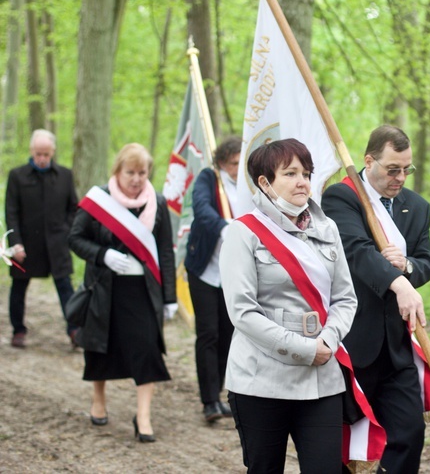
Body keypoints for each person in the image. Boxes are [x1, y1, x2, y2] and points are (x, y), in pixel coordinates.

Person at [220, 138, 357, 472]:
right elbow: (243, 312)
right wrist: (303, 349)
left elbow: (345, 298)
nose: (303, 182)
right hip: (261, 379)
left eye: (307, 173)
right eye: (291, 173)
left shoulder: (328, 228)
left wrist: (327, 340)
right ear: (265, 183)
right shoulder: (243, 233)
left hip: (321, 376)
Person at [321, 125, 430, 473]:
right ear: (369, 161)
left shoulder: (417, 207)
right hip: (352, 340)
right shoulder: (341, 197)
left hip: (396, 344)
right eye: (392, 169)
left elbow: (426, 260)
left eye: (407, 169)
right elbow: (357, 251)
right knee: (339, 443)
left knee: (409, 432)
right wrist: (399, 284)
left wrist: (409, 268)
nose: (401, 177)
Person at [68, 143, 176, 441]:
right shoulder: (98, 200)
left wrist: (169, 297)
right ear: (118, 170)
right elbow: (75, 239)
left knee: (147, 350)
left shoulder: (157, 203)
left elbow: (165, 251)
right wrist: (102, 255)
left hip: (143, 291)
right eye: (130, 172)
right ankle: (98, 400)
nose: (137, 179)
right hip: (105, 288)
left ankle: (142, 416)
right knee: (101, 347)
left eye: (142, 173)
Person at [5, 129, 79, 348]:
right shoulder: (17, 176)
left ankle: (74, 329)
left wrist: (66, 231)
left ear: (53, 152)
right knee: (18, 287)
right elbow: (11, 212)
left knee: (66, 287)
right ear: (31, 151)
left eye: (46, 154)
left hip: (57, 244)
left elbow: (74, 208)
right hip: (25, 244)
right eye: (38, 154)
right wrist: (15, 243)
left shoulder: (65, 176)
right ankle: (18, 330)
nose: (42, 159)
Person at [185, 137, 241, 422]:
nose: (237, 168)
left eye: (241, 163)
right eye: (233, 163)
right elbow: (202, 208)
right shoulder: (209, 178)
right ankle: (209, 401)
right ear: (222, 162)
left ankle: (219, 394)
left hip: (233, 274)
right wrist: (224, 227)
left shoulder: (248, 183)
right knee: (208, 334)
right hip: (205, 269)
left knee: (227, 335)